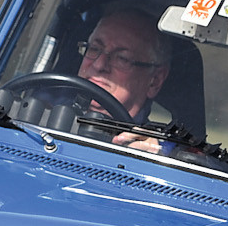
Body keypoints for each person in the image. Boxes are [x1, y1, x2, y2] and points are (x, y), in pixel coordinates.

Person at [73, 9, 174, 153]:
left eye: (122, 58)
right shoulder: (40, 116)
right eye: (94, 49)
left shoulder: (159, 150)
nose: (99, 65)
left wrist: (155, 155)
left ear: (155, 81)